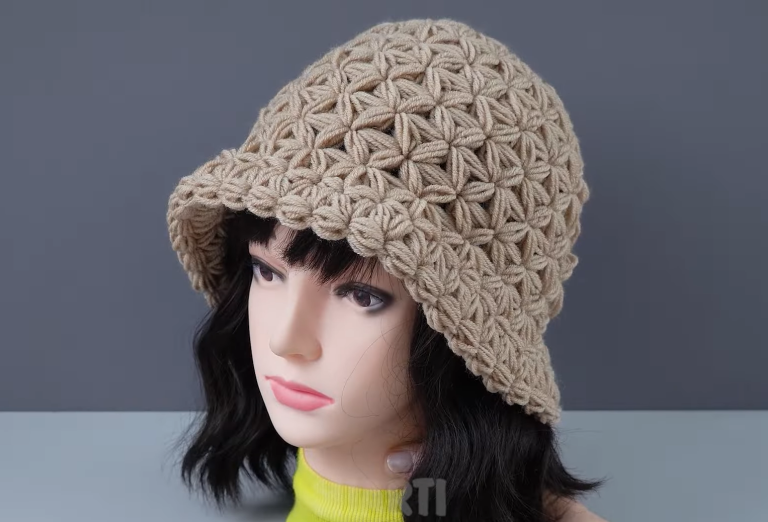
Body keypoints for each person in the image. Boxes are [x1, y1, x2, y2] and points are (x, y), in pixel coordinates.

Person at [167, 18, 609, 521]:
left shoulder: (434, 491)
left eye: (361, 296)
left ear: (459, 336)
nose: (286, 340)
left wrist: (507, 495)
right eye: (267, 272)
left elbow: (436, 500)